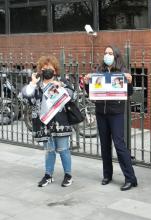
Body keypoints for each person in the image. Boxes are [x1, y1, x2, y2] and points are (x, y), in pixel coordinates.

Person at [84, 45, 137, 191]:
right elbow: (91, 93)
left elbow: (129, 92)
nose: (107, 55)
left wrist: (130, 82)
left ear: (116, 55)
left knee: (119, 145)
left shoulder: (122, 72)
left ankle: (130, 178)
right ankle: (107, 175)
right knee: (105, 145)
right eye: (106, 53)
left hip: (116, 113)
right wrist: (87, 83)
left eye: (110, 53)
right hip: (101, 112)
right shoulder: (99, 71)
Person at [21, 55, 75, 187]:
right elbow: (26, 97)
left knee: (63, 150)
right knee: (49, 151)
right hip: (44, 124)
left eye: (49, 68)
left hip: (60, 122)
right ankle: (48, 175)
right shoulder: (37, 86)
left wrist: (61, 86)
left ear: (55, 70)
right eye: (44, 68)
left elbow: (73, 95)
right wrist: (32, 83)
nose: (47, 70)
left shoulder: (61, 81)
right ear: (40, 70)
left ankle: (68, 175)